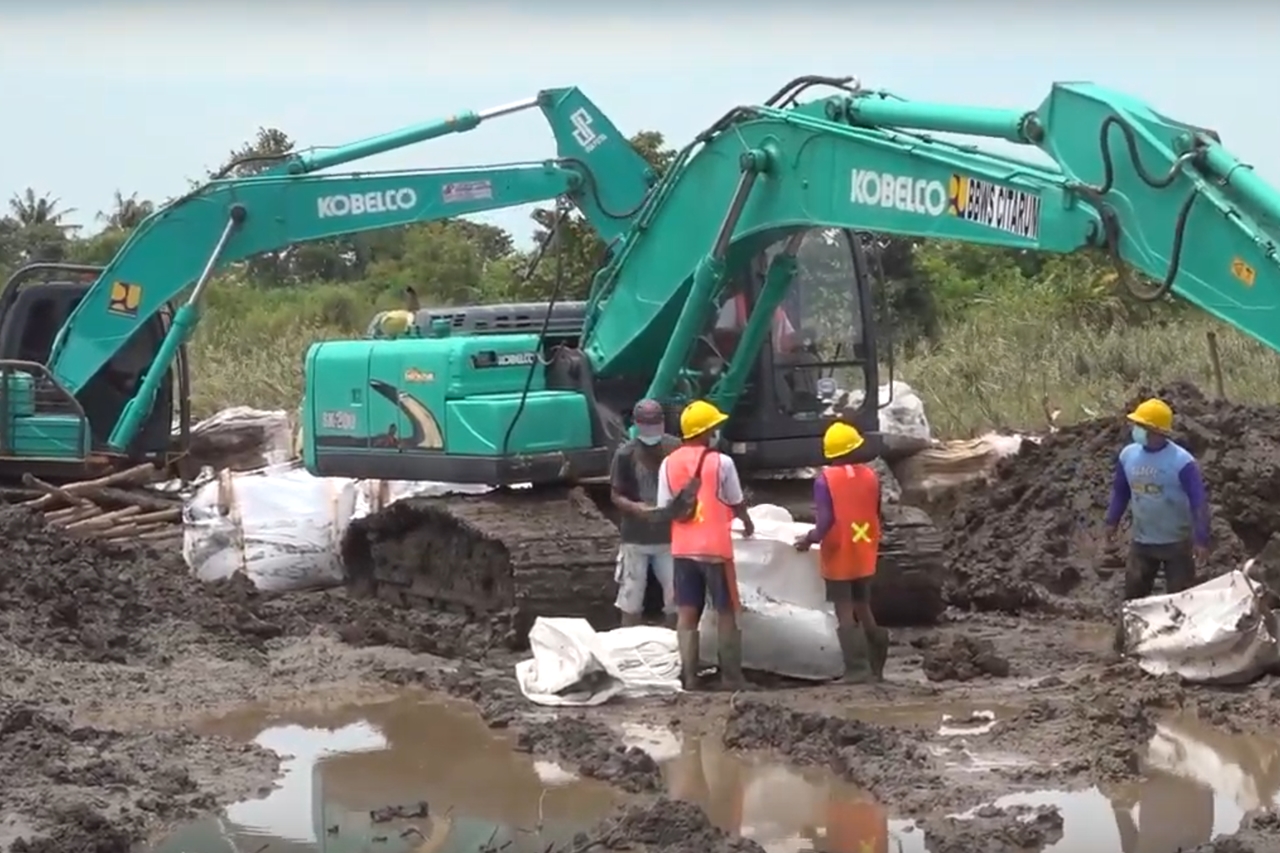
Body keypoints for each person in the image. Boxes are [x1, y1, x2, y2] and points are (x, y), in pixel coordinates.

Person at [656, 399, 755, 691]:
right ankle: (731, 677)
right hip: (715, 548)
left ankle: (689, 678)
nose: (716, 432)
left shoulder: (667, 463)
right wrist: (748, 524)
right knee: (725, 611)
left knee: (687, 613)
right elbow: (736, 502)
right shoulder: (722, 462)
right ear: (703, 431)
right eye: (713, 427)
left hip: (682, 549)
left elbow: (664, 507)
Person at [793, 422, 888, 683]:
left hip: (839, 552)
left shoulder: (825, 481)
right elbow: (876, 511)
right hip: (865, 548)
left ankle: (856, 669)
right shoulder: (870, 476)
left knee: (844, 610)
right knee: (863, 605)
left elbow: (825, 522)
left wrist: (808, 539)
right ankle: (876, 666)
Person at [1104, 398, 1211, 610]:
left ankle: (1180, 642)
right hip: (1142, 542)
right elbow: (1121, 491)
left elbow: (1198, 502)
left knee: (1181, 604)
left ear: (1156, 430)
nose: (1136, 430)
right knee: (1133, 602)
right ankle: (1128, 641)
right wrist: (1111, 521)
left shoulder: (1182, 462)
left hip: (1177, 543)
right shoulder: (1128, 456)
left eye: (1141, 426)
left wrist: (1201, 539)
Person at [609, 399, 680, 628]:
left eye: (655, 424)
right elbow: (616, 494)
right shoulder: (625, 454)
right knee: (631, 597)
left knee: (676, 598)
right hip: (635, 538)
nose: (651, 431)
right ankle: (627, 646)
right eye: (646, 425)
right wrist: (635, 508)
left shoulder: (676, 449)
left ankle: (675, 645)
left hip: (670, 538)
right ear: (637, 424)